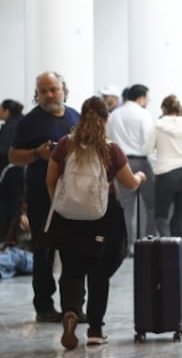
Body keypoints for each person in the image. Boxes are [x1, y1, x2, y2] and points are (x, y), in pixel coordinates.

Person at [46, 96, 146, 349]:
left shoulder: (65, 145)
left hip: (68, 218)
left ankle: (70, 310)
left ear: (80, 117)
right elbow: (129, 184)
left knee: (71, 269)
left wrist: (62, 204)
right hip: (104, 218)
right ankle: (95, 330)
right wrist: (141, 176)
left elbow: (51, 180)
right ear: (106, 118)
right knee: (99, 273)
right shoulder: (110, 149)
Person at [9, 72, 80, 323]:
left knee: (74, 251)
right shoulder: (29, 122)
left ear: (64, 89)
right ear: (37, 94)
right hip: (41, 195)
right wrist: (37, 154)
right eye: (43, 91)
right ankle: (44, 306)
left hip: (73, 195)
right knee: (44, 252)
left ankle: (73, 306)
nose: (49, 95)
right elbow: (14, 156)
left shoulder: (75, 116)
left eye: (54, 89)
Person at [107, 84, 156, 249]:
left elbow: (109, 139)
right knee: (151, 204)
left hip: (120, 162)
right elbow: (149, 141)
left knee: (126, 206)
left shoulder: (114, 114)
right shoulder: (143, 114)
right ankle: (149, 241)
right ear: (141, 97)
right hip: (142, 162)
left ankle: (126, 245)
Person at [144, 95, 182, 243]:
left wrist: (157, 165)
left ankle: (168, 251)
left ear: (163, 109)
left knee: (161, 215)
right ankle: (178, 255)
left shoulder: (157, 126)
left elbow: (147, 150)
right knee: (181, 214)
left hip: (165, 174)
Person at [0, 99, 24, 239]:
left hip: (11, 172)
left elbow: (3, 152)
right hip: (24, 171)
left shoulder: (10, 127)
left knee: (7, 206)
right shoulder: (23, 122)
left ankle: (6, 238)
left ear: (7, 111)